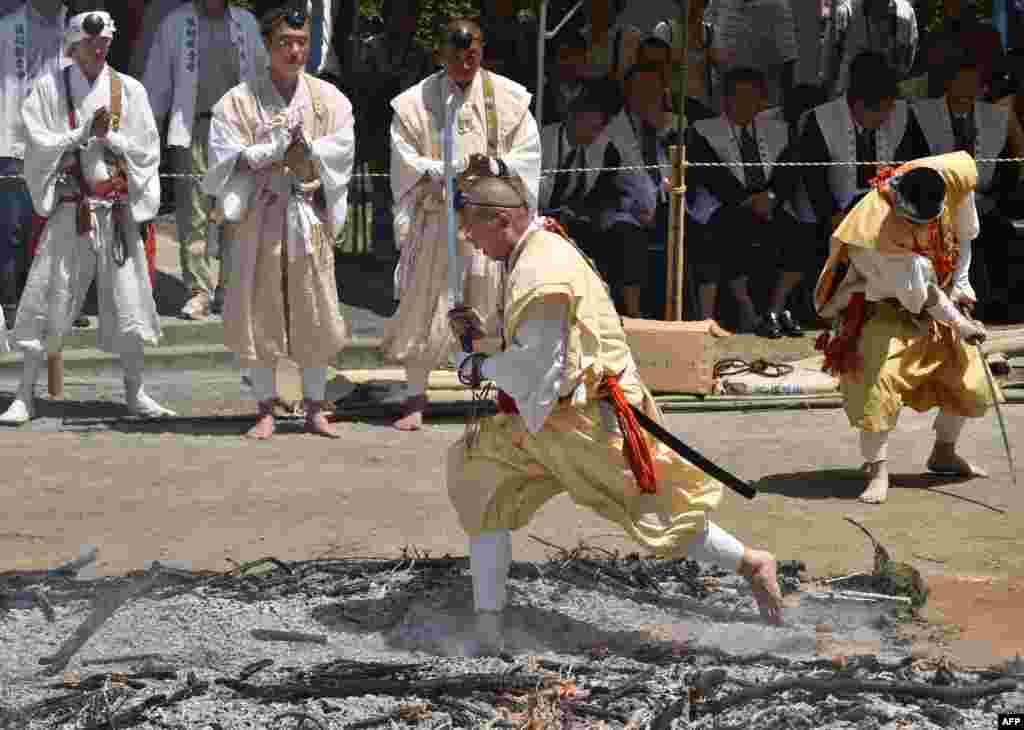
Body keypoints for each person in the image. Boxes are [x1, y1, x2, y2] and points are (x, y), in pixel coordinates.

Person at [446, 174, 784, 654]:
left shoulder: (543, 272)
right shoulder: (533, 249)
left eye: (472, 228)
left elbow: (542, 369)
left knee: (657, 514)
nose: (468, 238)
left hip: (583, 418)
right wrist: (483, 340)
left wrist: (477, 363)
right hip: (544, 418)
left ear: (502, 219)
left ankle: (751, 562)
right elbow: (537, 353)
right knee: (478, 479)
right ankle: (488, 624)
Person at [0, 9, 174, 426]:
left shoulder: (129, 90)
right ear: (73, 46)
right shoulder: (48, 88)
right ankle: (25, 394)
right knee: (46, 296)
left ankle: (137, 392)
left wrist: (110, 138)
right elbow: (35, 141)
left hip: (115, 214)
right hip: (71, 210)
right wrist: (77, 137)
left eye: (104, 42)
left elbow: (148, 148)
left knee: (131, 301)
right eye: (89, 43)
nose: (98, 48)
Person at [203, 5, 354, 440]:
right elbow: (224, 159)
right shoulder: (238, 100)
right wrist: (270, 150)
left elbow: (341, 150)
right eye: (285, 43)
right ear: (267, 46)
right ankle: (266, 407)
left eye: (301, 42)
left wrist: (307, 149)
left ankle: (314, 407)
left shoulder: (329, 99)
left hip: (306, 215)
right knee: (261, 309)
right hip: (261, 216)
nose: (294, 50)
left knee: (314, 307)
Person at [814, 152, 999, 504]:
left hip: (941, 295)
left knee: (969, 381)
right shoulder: (875, 230)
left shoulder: (955, 176)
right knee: (878, 386)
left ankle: (943, 453)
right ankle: (877, 469)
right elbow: (923, 297)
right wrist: (961, 324)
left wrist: (961, 285)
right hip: (882, 305)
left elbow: (964, 237)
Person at [383, 18, 541, 431]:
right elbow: (404, 161)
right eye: (456, 53)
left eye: (472, 53)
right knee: (423, 307)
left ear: (481, 51)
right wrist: (444, 170)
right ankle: (415, 397)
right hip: (437, 218)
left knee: (491, 305)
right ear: (440, 54)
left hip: (487, 224)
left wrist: (495, 166)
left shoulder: (508, 98)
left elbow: (528, 156)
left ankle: (493, 395)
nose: (464, 61)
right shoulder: (414, 102)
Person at [144, 0, 266, 319]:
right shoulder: (175, 23)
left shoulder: (246, 23)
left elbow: (264, 76)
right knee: (194, 213)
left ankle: (229, 289)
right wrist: (149, 132)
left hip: (238, 129)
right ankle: (198, 290)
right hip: (193, 127)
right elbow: (157, 82)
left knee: (235, 210)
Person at [911, 53, 1024, 322]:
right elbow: (915, 160)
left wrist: (994, 196)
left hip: (984, 199)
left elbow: (1008, 164)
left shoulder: (996, 116)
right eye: (962, 81)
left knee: (1000, 235)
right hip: (937, 205)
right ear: (949, 83)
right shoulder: (922, 114)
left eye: (974, 82)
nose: (969, 88)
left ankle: (996, 306)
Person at [800, 52, 927, 232]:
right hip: (832, 212)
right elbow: (814, 181)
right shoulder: (821, 120)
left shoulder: (902, 114)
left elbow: (915, 163)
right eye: (877, 111)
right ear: (856, 103)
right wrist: (836, 219)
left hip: (884, 209)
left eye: (888, 108)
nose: (885, 117)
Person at [0, 0, 66, 326]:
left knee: (58, 229)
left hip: (61, 145)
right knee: (13, 227)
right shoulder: (7, 28)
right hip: (13, 143)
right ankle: (11, 303)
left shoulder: (75, 29)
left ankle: (59, 303)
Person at [603, 63, 679, 317]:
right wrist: (631, 207)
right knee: (629, 237)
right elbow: (602, 183)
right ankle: (635, 314)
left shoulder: (675, 124)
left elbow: (689, 167)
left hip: (669, 205)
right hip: (627, 209)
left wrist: (664, 130)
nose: (647, 96)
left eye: (653, 90)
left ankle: (689, 310)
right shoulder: (610, 128)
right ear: (627, 91)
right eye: (640, 89)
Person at [539, 78, 623, 277]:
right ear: (572, 117)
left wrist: (584, 211)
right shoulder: (541, 140)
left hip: (579, 223)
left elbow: (604, 194)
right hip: (540, 219)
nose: (593, 135)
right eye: (589, 126)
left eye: (598, 128)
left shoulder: (605, 150)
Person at [821, 0, 918, 98]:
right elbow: (829, 59)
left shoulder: (906, 12)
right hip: (850, 97)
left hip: (888, 100)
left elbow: (907, 63)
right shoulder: (844, 12)